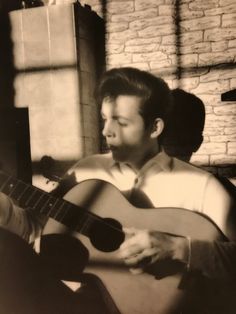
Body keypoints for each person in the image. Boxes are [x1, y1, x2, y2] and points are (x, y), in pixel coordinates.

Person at [0, 67, 235, 314]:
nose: (105, 131)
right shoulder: (86, 170)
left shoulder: (203, 186)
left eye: (120, 122)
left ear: (155, 128)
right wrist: (6, 211)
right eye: (104, 118)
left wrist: (179, 248)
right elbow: (37, 230)